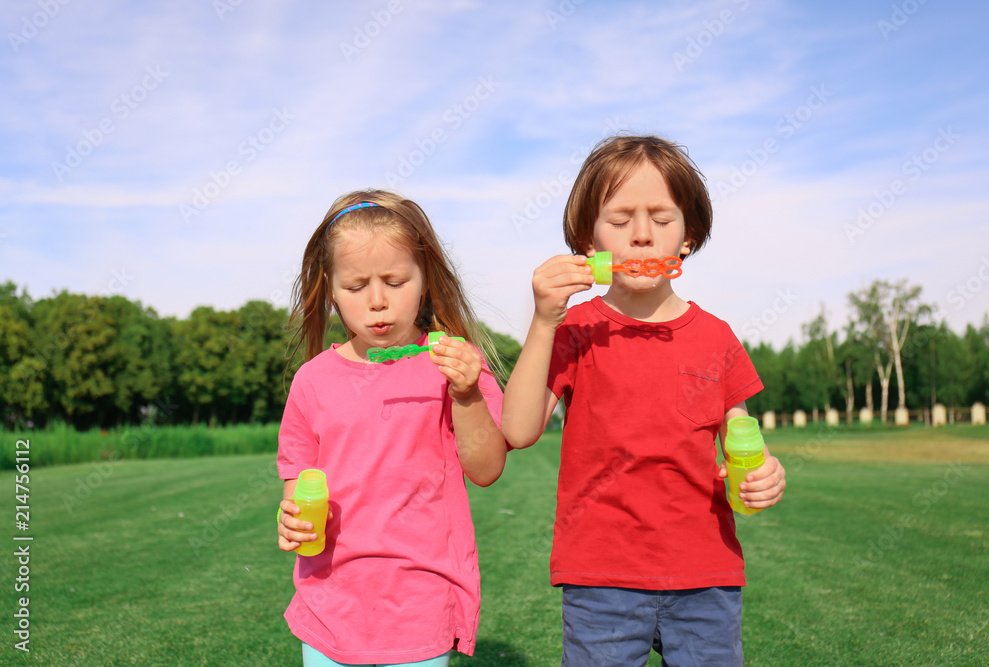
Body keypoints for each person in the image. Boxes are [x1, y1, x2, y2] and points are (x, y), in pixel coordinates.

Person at [501, 135, 787, 666]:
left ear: (688, 236)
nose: (640, 235)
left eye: (660, 218)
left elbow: (743, 441)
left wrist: (765, 472)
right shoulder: (575, 331)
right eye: (619, 219)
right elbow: (516, 431)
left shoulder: (717, 337)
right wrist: (544, 320)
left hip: (707, 577)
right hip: (601, 580)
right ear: (588, 239)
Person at [276, 190, 507, 667]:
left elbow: (486, 469)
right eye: (357, 286)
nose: (377, 302)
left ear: (425, 280)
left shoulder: (454, 364)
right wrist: (293, 519)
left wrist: (466, 394)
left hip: (420, 604)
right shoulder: (311, 381)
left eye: (396, 281)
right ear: (331, 290)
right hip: (328, 604)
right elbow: (300, 483)